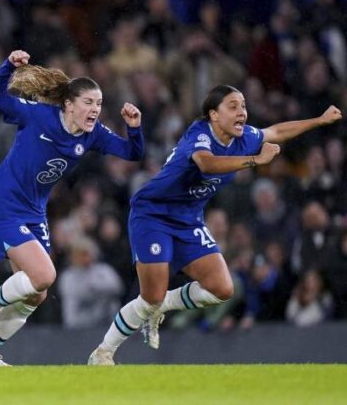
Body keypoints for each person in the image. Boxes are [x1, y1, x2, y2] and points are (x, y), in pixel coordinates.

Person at [88, 86, 341, 365]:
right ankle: (103, 352)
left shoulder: (244, 137)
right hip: (153, 214)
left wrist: (318, 120)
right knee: (150, 296)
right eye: (233, 106)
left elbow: (276, 132)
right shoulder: (199, 134)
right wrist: (256, 161)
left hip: (188, 219)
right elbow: (206, 164)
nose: (242, 112)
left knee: (222, 289)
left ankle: (160, 307)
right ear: (214, 115)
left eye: (243, 105)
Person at [0, 49, 144, 367]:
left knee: (36, 293)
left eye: (99, 103)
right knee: (44, 274)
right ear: (68, 104)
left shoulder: (93, 135)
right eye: (88, 102)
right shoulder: (38, 115)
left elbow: (132, 153)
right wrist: (8, 66)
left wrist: (133, 127)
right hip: (2, 207)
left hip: (34, 213)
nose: (95, 109)